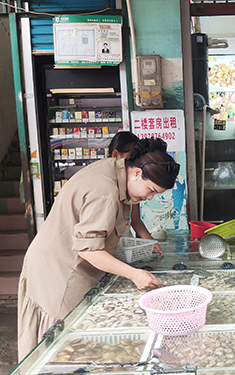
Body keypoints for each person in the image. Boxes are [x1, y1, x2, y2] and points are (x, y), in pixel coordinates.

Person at [17, 138, 180, 360]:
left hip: (57, 262)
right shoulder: (105, 192)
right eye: (151, 190)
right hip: (58, 272)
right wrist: (134, 274)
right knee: (61, 349)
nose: (149, 197)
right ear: (136, 174)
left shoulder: (116, 169)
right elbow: (88, 250)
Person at [108, 131, 163, 255]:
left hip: (124, 249)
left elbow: (135, 219)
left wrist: (150, 242)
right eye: (130, 159)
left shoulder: (132, 187)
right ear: (116, 154)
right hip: (108, 253)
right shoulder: (107, 189)